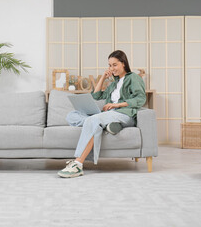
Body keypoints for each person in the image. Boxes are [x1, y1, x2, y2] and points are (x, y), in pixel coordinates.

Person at [58, 50, 146, 178]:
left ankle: (78, 163)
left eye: (114, 65)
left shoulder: (133, 78)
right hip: (110, 114)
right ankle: (109, 125)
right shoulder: (114, 83)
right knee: (72, 115)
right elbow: (96, 95)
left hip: (124, 114)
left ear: (123, 63)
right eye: (110, 65)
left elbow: (140, 99)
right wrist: (103, 78)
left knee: (92, 121)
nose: (112, 68)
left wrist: (117, 105)